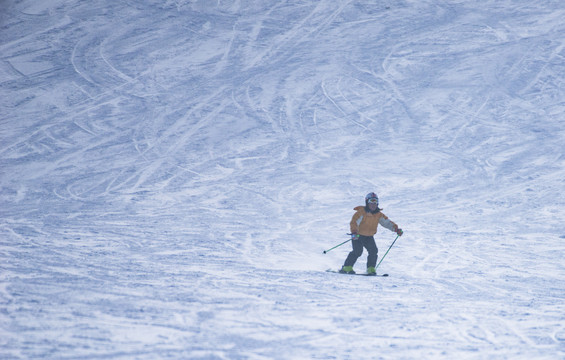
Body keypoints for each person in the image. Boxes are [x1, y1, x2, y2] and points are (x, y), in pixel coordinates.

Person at [340, 192, 403, 275]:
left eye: (375, 202)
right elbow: (354, 222)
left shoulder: (378, 214)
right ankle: (347, 267)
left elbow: (387, 223)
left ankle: (371, 269)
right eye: (371, 202)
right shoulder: (361, 212)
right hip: (358, 235)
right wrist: (354, 232)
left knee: (373, 251)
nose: (373, 204)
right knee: (358, 251)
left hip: (369, 236)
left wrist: (396, 229)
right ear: (367, 202)